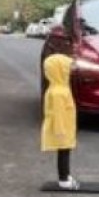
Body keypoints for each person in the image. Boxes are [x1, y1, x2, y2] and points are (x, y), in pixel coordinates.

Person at [40, 54, 79, 189]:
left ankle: (66, 175)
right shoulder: (58, 92)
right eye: (67, 68)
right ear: (60, 70)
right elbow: (57, 113)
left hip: (66, 127)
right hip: (62, 129)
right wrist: (60, 130)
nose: (70, 70)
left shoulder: (60, 88)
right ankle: (64, 179)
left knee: (65, 151)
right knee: (63, 152)